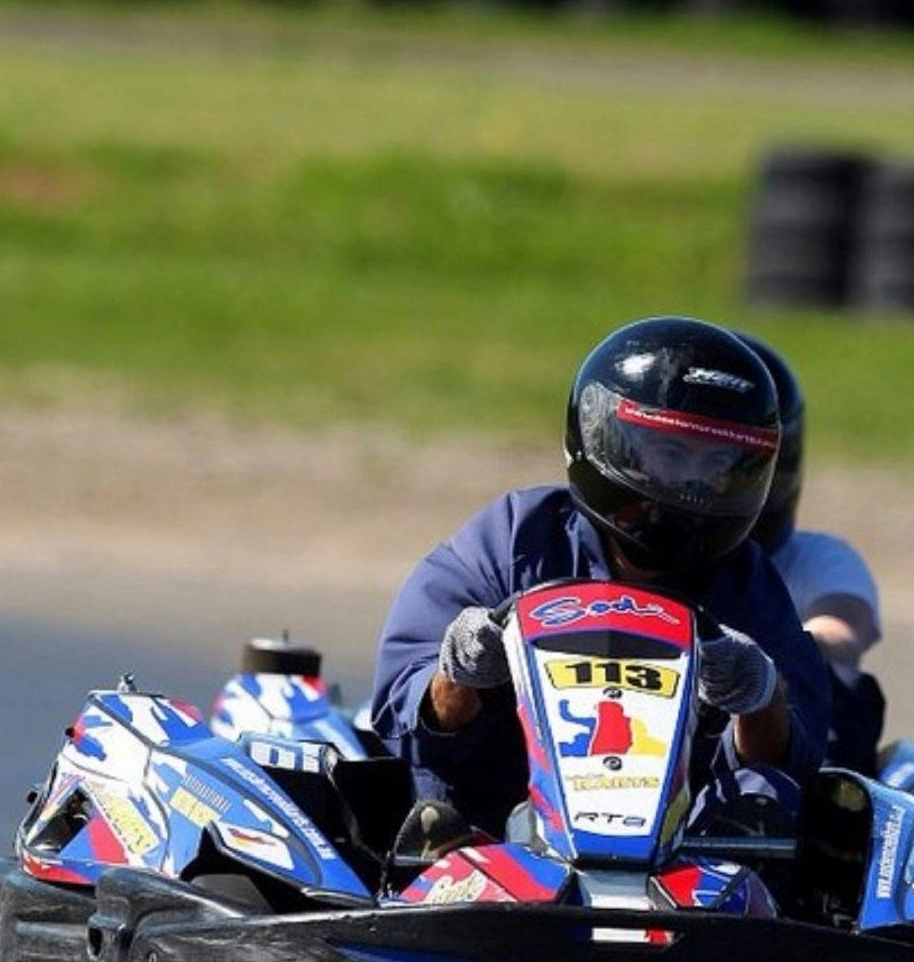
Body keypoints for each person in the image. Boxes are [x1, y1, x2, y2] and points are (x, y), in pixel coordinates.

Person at [368, 316, 830, 846]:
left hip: (684, 866)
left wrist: (759, 693)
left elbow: (794, 757)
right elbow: (399, 712)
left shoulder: (745, 584)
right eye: (673, 456)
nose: (694, 487)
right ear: (607, 439)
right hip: (489, 838)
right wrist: (460, 674)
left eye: (718, 465)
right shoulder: (516, 538)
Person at [736, 333, 887, 773]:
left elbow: (844, 627)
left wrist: (761, 653)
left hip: (802, 770)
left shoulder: (819, 559)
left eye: (733, 465)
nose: (703, 479)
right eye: (675, 456)